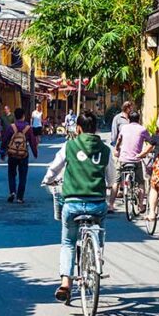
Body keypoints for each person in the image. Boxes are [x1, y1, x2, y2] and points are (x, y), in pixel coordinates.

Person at [42, 112, 115, 302]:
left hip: (72, 204)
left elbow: (54, 168)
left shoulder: (69, 146)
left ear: (79, 128)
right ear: (96, 129)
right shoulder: (105, 149)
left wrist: (47, 181)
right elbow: (112, 179)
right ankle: (96, 256)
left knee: (68, 242)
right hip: (97, 203)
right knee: (99, 230)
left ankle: (66, 282)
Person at [113, 111, 149, 212]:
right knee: (141, 182)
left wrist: (116, 149)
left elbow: (119, 140)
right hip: (136, 160)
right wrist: (144, 152)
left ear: (129, 120)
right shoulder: (143, 129)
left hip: (123, 159)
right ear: (139, 119)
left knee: (116, 181)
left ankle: (111, 205)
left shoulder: (124, 128)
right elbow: (150, 142)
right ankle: (141, 205)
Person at [2, 107, 38, 203]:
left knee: (11, 174)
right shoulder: (28, 128)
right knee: (23, 176)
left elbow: (5, 139)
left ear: (15, 116)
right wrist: (35, 153)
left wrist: (3, 152)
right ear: (23, 116)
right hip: (23, 154)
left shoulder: (11, 127)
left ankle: (12, 191)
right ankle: (20, 197)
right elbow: (33, 142)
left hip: (12, 154)